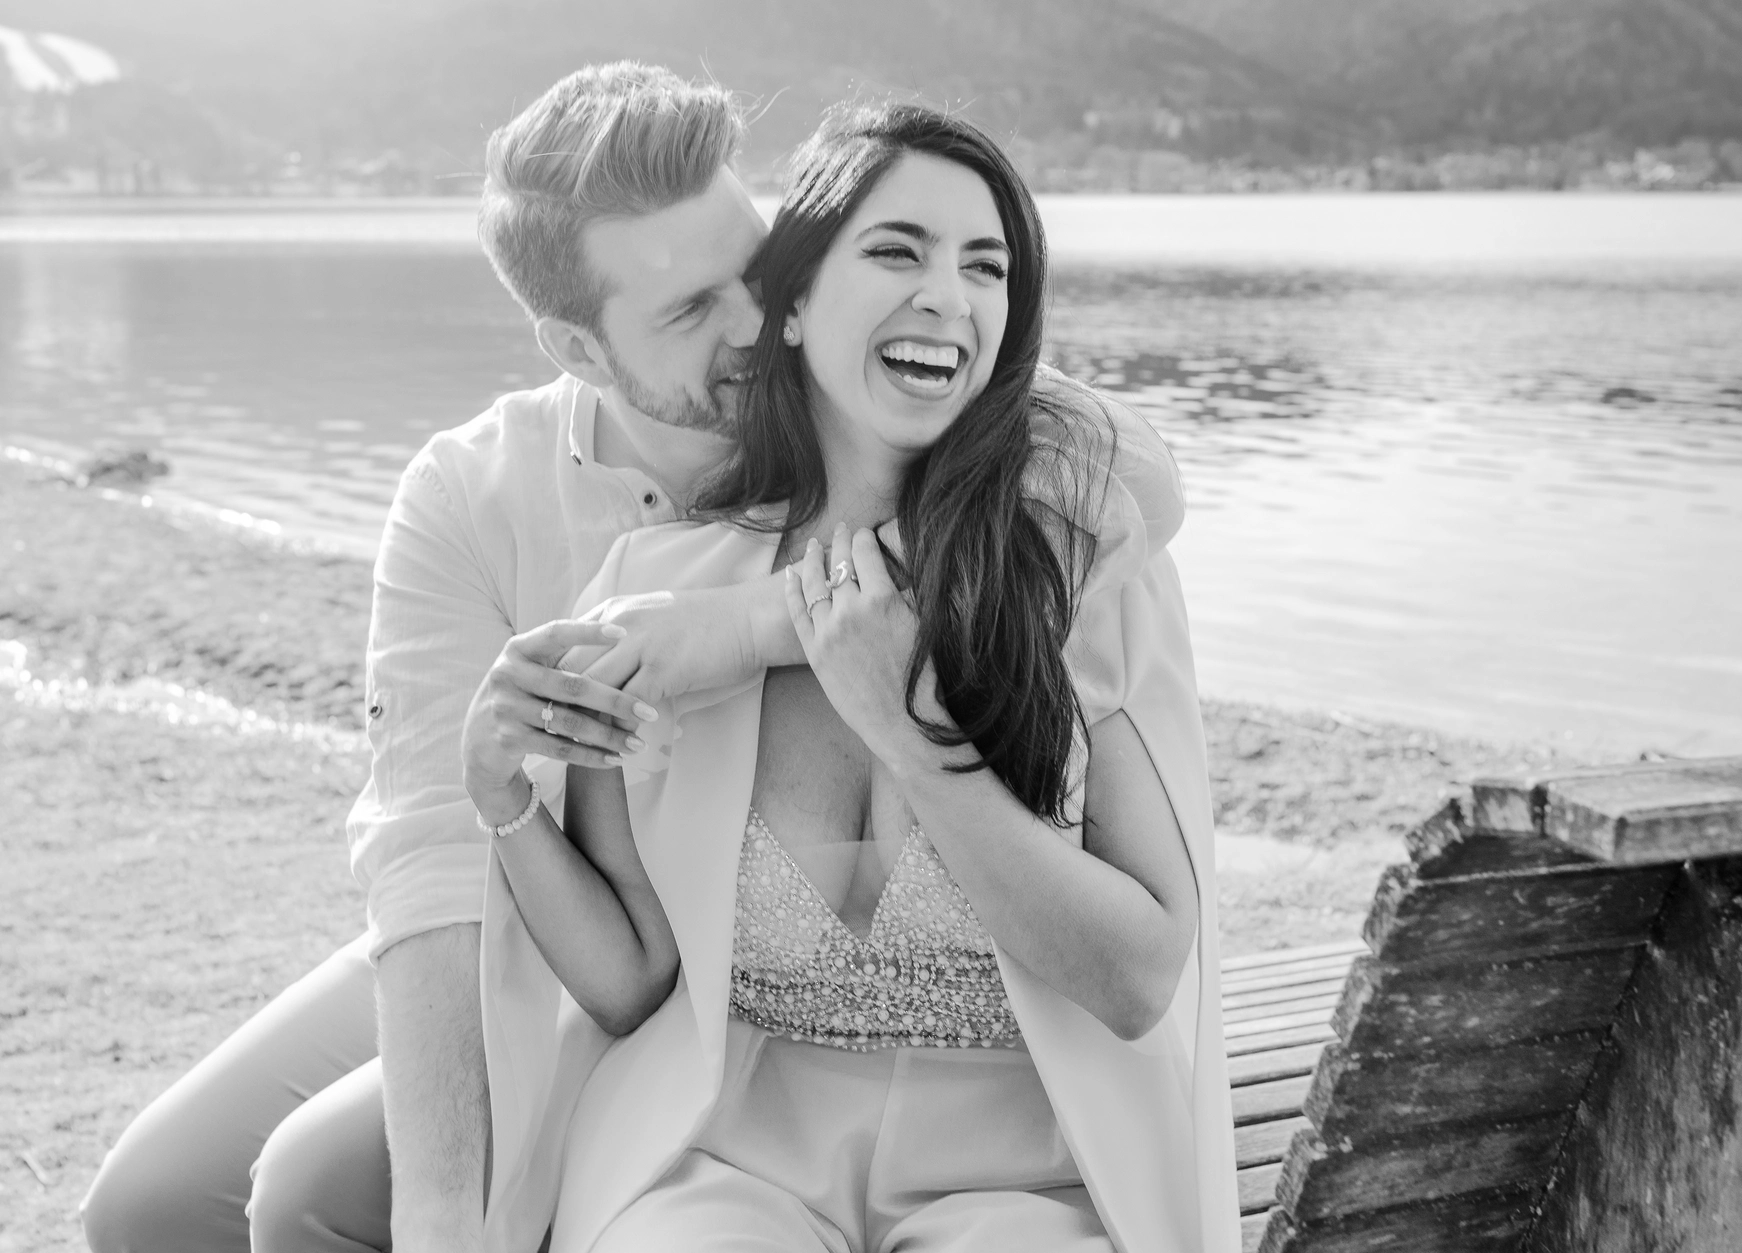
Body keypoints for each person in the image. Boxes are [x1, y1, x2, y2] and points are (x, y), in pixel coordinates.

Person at [80, 65, 1185, 1253]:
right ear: (576, 344)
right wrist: (446, 1213)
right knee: (170, 1203)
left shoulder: (896, 399)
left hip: (836, 1045)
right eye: (686, 310)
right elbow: (433, 864)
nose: (754, 325)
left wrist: (746, 628)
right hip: (540, 914)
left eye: (755, 271)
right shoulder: (473, 493)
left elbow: (1121, 477)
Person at [473, 103, 1234, 1253]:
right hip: (724, 1162)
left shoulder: (1085, 569)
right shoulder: (659, 584)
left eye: (987, 267)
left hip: (1029, 1180)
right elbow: (630, 979)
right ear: (790, 306)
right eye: (896, 251)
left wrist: (904, 727)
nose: (948, 295)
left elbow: (1137, 976)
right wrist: (503, 799)